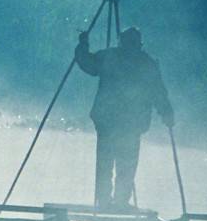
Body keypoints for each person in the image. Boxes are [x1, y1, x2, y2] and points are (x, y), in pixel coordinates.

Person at [74, 25, 174, 210]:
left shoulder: (116, 57)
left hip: (118, 121)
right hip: (119, 121)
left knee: (112, 163)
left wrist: (83, 44)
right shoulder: (141, 62)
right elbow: (158, 92)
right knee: (123, 163)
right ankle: (112, 202)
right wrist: (166, 112)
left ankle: (111, 201)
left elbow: (86, 63)